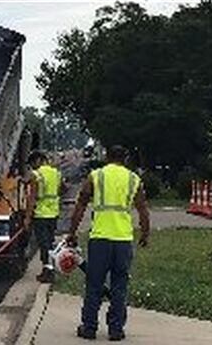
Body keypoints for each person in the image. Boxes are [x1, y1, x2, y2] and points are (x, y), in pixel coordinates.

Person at [67, 145, 150, 341]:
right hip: (123, 240)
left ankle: (89, 327)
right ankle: (116, 329)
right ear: (126, 158)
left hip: (100, 239)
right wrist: (145, 233)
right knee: (120, 285)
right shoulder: (133, 179)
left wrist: (72, 232)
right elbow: (143, 209)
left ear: (106, 156)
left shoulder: (96, 176)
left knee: (94, 284)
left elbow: (80, 205)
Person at [24, 151, 64, 283]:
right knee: (50, 242)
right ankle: (50, 269)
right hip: (54, 213)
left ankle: (48, 272)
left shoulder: (37, 174)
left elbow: (32, 198)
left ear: (38, 160)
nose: (32, 167)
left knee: (43, 244)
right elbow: (62, 189)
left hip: (41, 214)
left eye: (32, 163)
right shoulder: (56, 173)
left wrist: (27, 217)